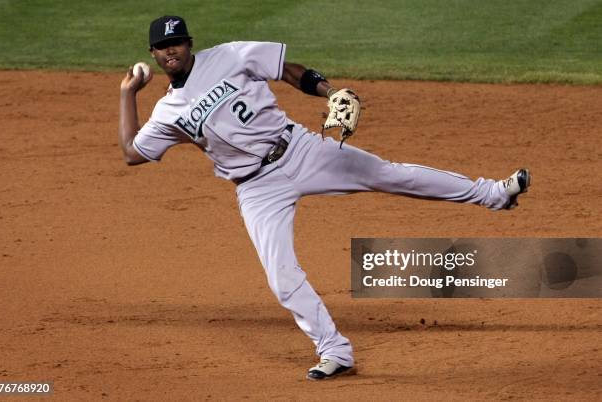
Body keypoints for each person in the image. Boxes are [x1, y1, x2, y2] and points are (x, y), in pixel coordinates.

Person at [118, 15, 531, 380]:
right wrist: (127, 94)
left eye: (177, 42)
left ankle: (493, 193)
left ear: (189, 43)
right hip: (257, 187)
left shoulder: (229, 55)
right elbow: (133, 153)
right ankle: (335, 351)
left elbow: (289, 72)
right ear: (152, 54)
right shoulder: (167, 113)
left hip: (298, 148)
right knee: (281, 278)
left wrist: (329, 92)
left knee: (388, 174)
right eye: (162, 46)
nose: (171, 50)